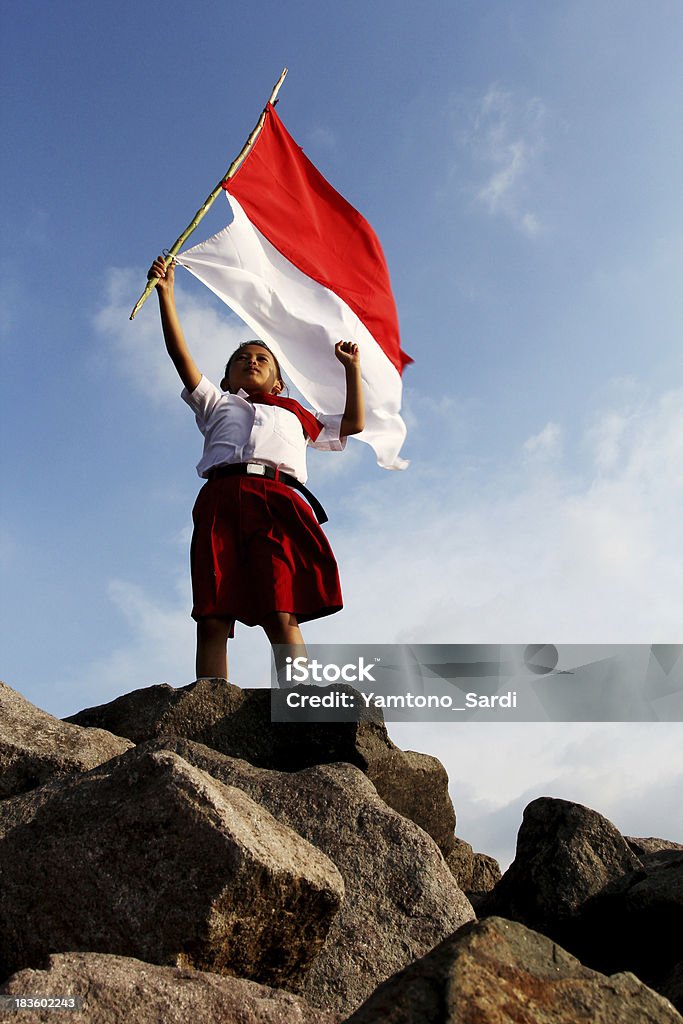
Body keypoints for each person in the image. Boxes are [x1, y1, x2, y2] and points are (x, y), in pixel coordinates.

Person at [148, 256, 365, 681]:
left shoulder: (296, 412)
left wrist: (352, 370)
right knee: (213, 609)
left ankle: (298, 697)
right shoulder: (217, 403)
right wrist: (166, 294)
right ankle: (209, 699)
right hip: (221, 499)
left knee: (280, 609)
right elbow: (180, 355)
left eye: (263, 358)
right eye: (242, 358)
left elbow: (353, 423)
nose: (252, 361)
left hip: (279, 501)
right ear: (227, 379)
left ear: (279, 382)